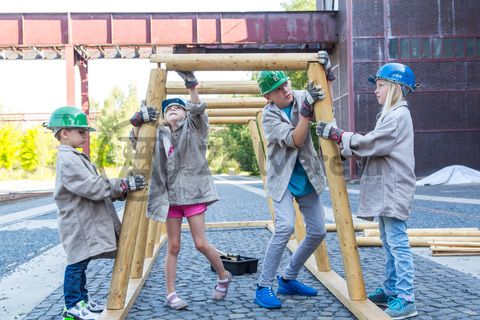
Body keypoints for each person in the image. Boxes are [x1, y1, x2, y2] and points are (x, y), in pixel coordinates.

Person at [316, 62, 419, 319]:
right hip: (388, 188)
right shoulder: (388, 115)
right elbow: (372, 146)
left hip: (393, 189)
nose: (376, 90)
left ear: (395, 88)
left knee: (397, 243)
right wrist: (345, 147)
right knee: (388, 241)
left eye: (381, 86)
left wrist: (340, 136)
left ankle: (406, 298)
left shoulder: (397, 116)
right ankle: (391, 288)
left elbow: (372, 143)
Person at [129, 71, 232, 310]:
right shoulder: (160, 134)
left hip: (193, 194)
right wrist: (137, 122)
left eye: (178, 107)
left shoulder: (195, 129)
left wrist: (191, 85)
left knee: (200, 243)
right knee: (173, 245)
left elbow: (197, 109)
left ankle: (223, 276)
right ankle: (171, 293)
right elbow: (138, 142)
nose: (173, 109)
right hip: (170, 198)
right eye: (168, 109)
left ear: (186, 114)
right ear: (164, 117)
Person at [45, 106, 146, 320]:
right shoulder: (68, 160)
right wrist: (123, 185)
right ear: (65, 133)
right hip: (77, 223)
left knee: (82, 261)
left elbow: (95, 187)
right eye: (81, 132)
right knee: (76, 263)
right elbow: (92, 186)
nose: (85, 135)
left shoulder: (74, 156)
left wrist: (121, 188)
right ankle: (72, 306)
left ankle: (81, 299)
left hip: (83, 220)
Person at [253, 51, 335, 309]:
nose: (285, 90)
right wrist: (306, 113)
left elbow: (323, 96)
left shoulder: (301, 96)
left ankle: (288, 278)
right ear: (268, 97)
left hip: (307, 174)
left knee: (319, 231)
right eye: (278, 89)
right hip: (283, 177)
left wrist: (326, 71)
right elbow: (296, 140)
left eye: (286, 83)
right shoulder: (268, 116)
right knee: (286, 227)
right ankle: (263, 286)